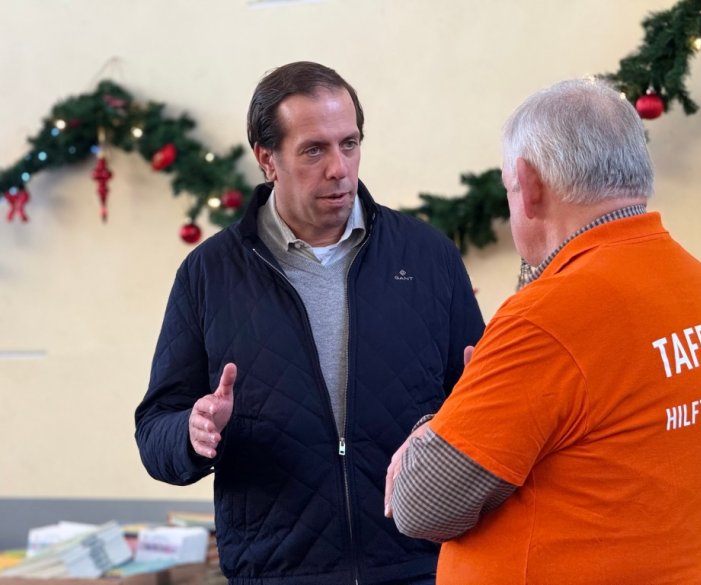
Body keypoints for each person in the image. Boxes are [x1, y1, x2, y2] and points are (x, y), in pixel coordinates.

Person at [385, 78, 701, 584]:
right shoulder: (699, 282)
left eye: (508, 188)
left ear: (529, 182)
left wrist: (442, 424)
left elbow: (422, 505)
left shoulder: (548, 315)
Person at [134, 61, 484, 585]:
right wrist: (193, 430)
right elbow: (154, 431)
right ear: (266, 159)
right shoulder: (208, 275)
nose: (339, 168)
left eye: (349, 143)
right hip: (276, 571)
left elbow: (481, 403)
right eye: (314, 150)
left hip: (421, 564)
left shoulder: (428, 255)